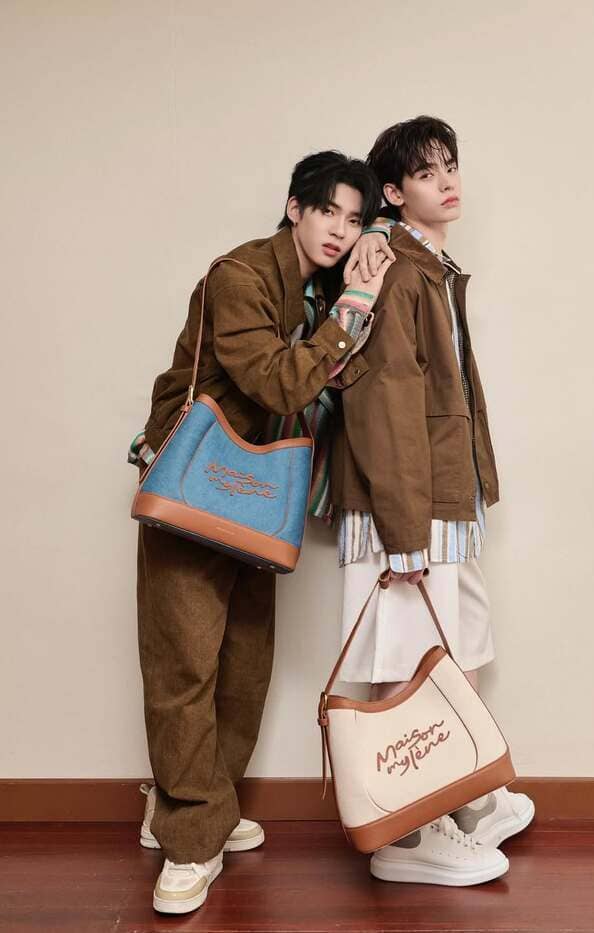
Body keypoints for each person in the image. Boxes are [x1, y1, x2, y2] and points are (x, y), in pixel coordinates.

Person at [133, 150, 392, 914]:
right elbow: (278, 382)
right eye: (328, 211)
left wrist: (360, 282)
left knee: (245, 664)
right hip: (197, 484)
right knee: (184, 664)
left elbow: (337, 381)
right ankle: (188, 838)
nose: (340, 230)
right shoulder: (240, 276)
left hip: (259, 495)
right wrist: (354, 307)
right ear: (295, 207)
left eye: (354, 218)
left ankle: (199, 802)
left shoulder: (319, 291)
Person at [332, 116, 535, 886]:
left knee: (461, 645)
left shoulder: (431, 265)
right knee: (405, 658)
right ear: (393, 191)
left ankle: (465, 796)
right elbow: (383, 402)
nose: (447, 181)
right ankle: (407, 834)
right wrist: (403, 531)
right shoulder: (395, 267)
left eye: (450, 165)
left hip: (444, 494)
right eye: (425, 172)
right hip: (407, 506)